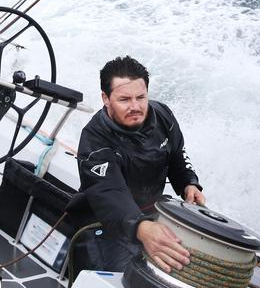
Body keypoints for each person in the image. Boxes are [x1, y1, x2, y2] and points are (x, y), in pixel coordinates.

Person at [77, 55, 206, 274]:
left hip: (152, 211)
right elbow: (109, 192)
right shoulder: (94, 139)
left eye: (141, 97)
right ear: (105, 98)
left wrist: (188, 183)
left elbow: (177, 154)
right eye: (124, 99)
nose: (135, 107)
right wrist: (141, 228)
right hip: (104, 224)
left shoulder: (163, 115)